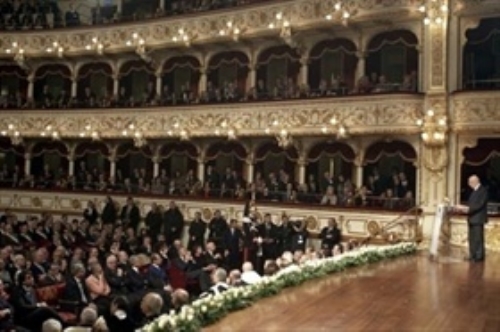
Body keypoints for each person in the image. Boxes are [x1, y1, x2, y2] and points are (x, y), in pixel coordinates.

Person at [455, 175, 488, 262]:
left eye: (469, 182)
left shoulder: (483, 191)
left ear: (474, 182)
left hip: (478, 219)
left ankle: (479, 256)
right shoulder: (474, 191)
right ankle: (472, 255)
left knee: (478, 238)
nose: (469, 184)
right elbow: (472, 204)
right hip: (472, 218)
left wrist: (467, 209)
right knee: (472, 238)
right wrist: (464, 208)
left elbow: (480, 204)